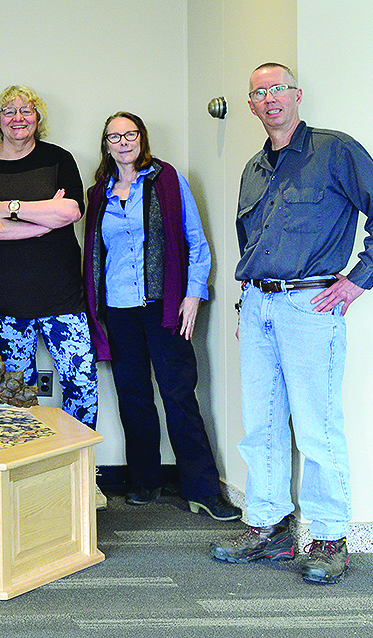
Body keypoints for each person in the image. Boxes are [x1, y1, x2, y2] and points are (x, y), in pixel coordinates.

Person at [209, 63, 373, 585]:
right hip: (258, 308)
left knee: (317, 429)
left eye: (278, 89)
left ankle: (327, 537)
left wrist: (359, 280)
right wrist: (247, 307)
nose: (269, 98)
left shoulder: (335, 151)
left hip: (310, 306)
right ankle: (269, 528)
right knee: (261, 424)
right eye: (258, 93)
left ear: (296, 95)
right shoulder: (254, 168)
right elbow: (252, 242)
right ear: (250, 105)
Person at [82, 112, 239, 522]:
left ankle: (203, 489)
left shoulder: (166, 180)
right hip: (117, 307)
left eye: (129, 134)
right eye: (113, 135)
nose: (122, 142)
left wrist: (192, 293)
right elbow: (95, 255)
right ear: (106, 144)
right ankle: (145, 479)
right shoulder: (98, 193)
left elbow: (195, 239)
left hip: (164, 305)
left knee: (178, 394)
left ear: (142, 138)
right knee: (132, 396)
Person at [0, 85, 99, 509]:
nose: (17, 117)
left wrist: (9, 206)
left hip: (61, 293)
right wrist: (39, 220)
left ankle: (80, 474)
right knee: (16, 392)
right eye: (8, 111)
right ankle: (23, 477)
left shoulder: (59, 159)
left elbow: (71, 212)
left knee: (81, 384)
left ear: (38, 117)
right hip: (5, 297)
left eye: (26, 110)